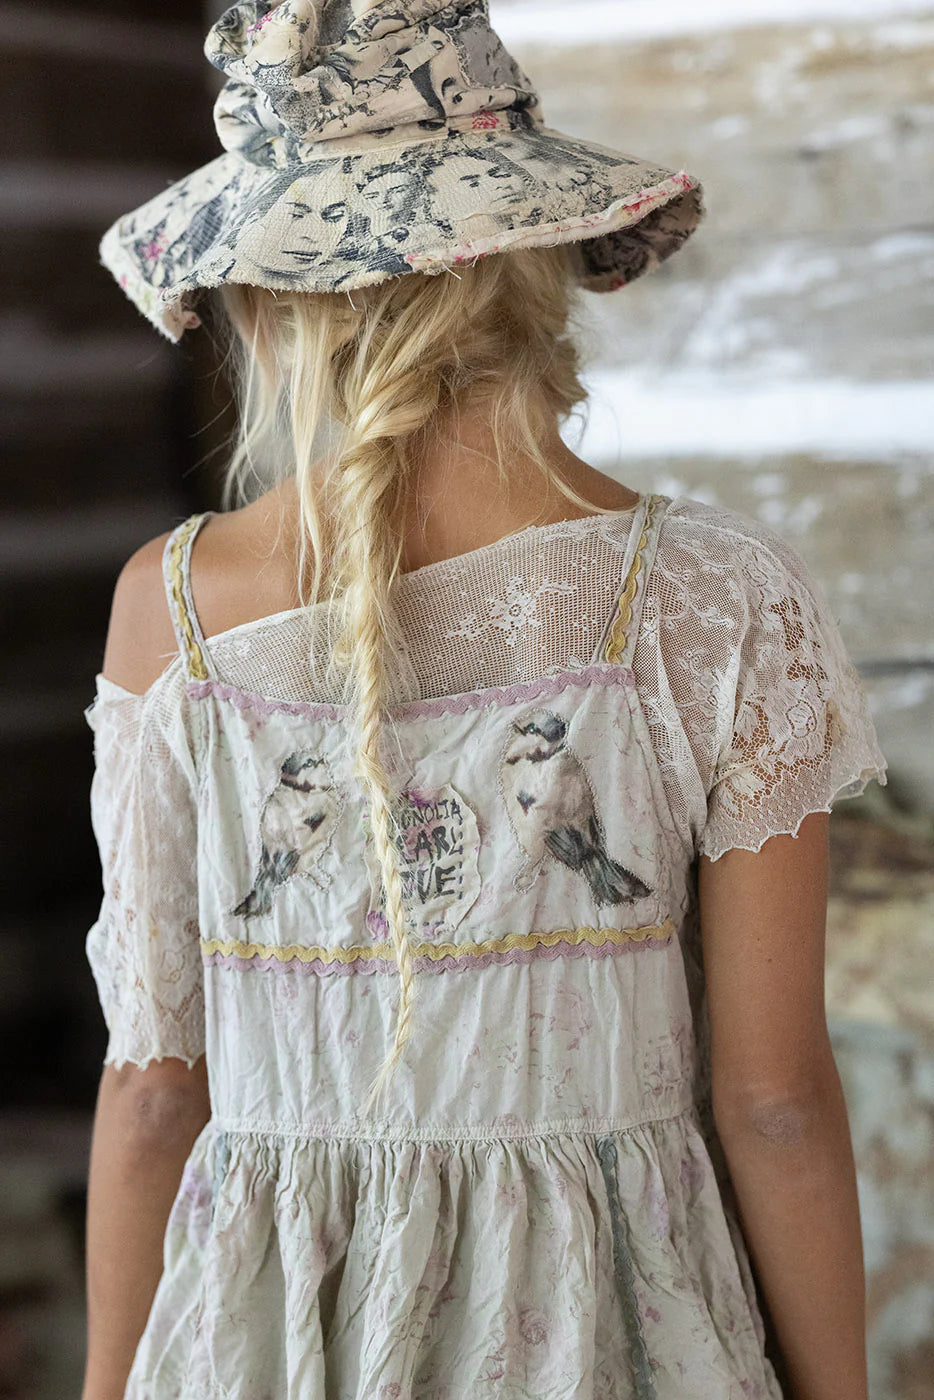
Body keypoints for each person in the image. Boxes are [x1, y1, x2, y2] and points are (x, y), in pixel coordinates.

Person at [80, 4, 887, 1400]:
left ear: (266, 303)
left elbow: (155, 1089)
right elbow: (772, 1101)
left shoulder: (177, 607)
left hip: (274, 1340)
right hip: (609, 1330)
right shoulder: (711, 597)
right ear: (538, 259)